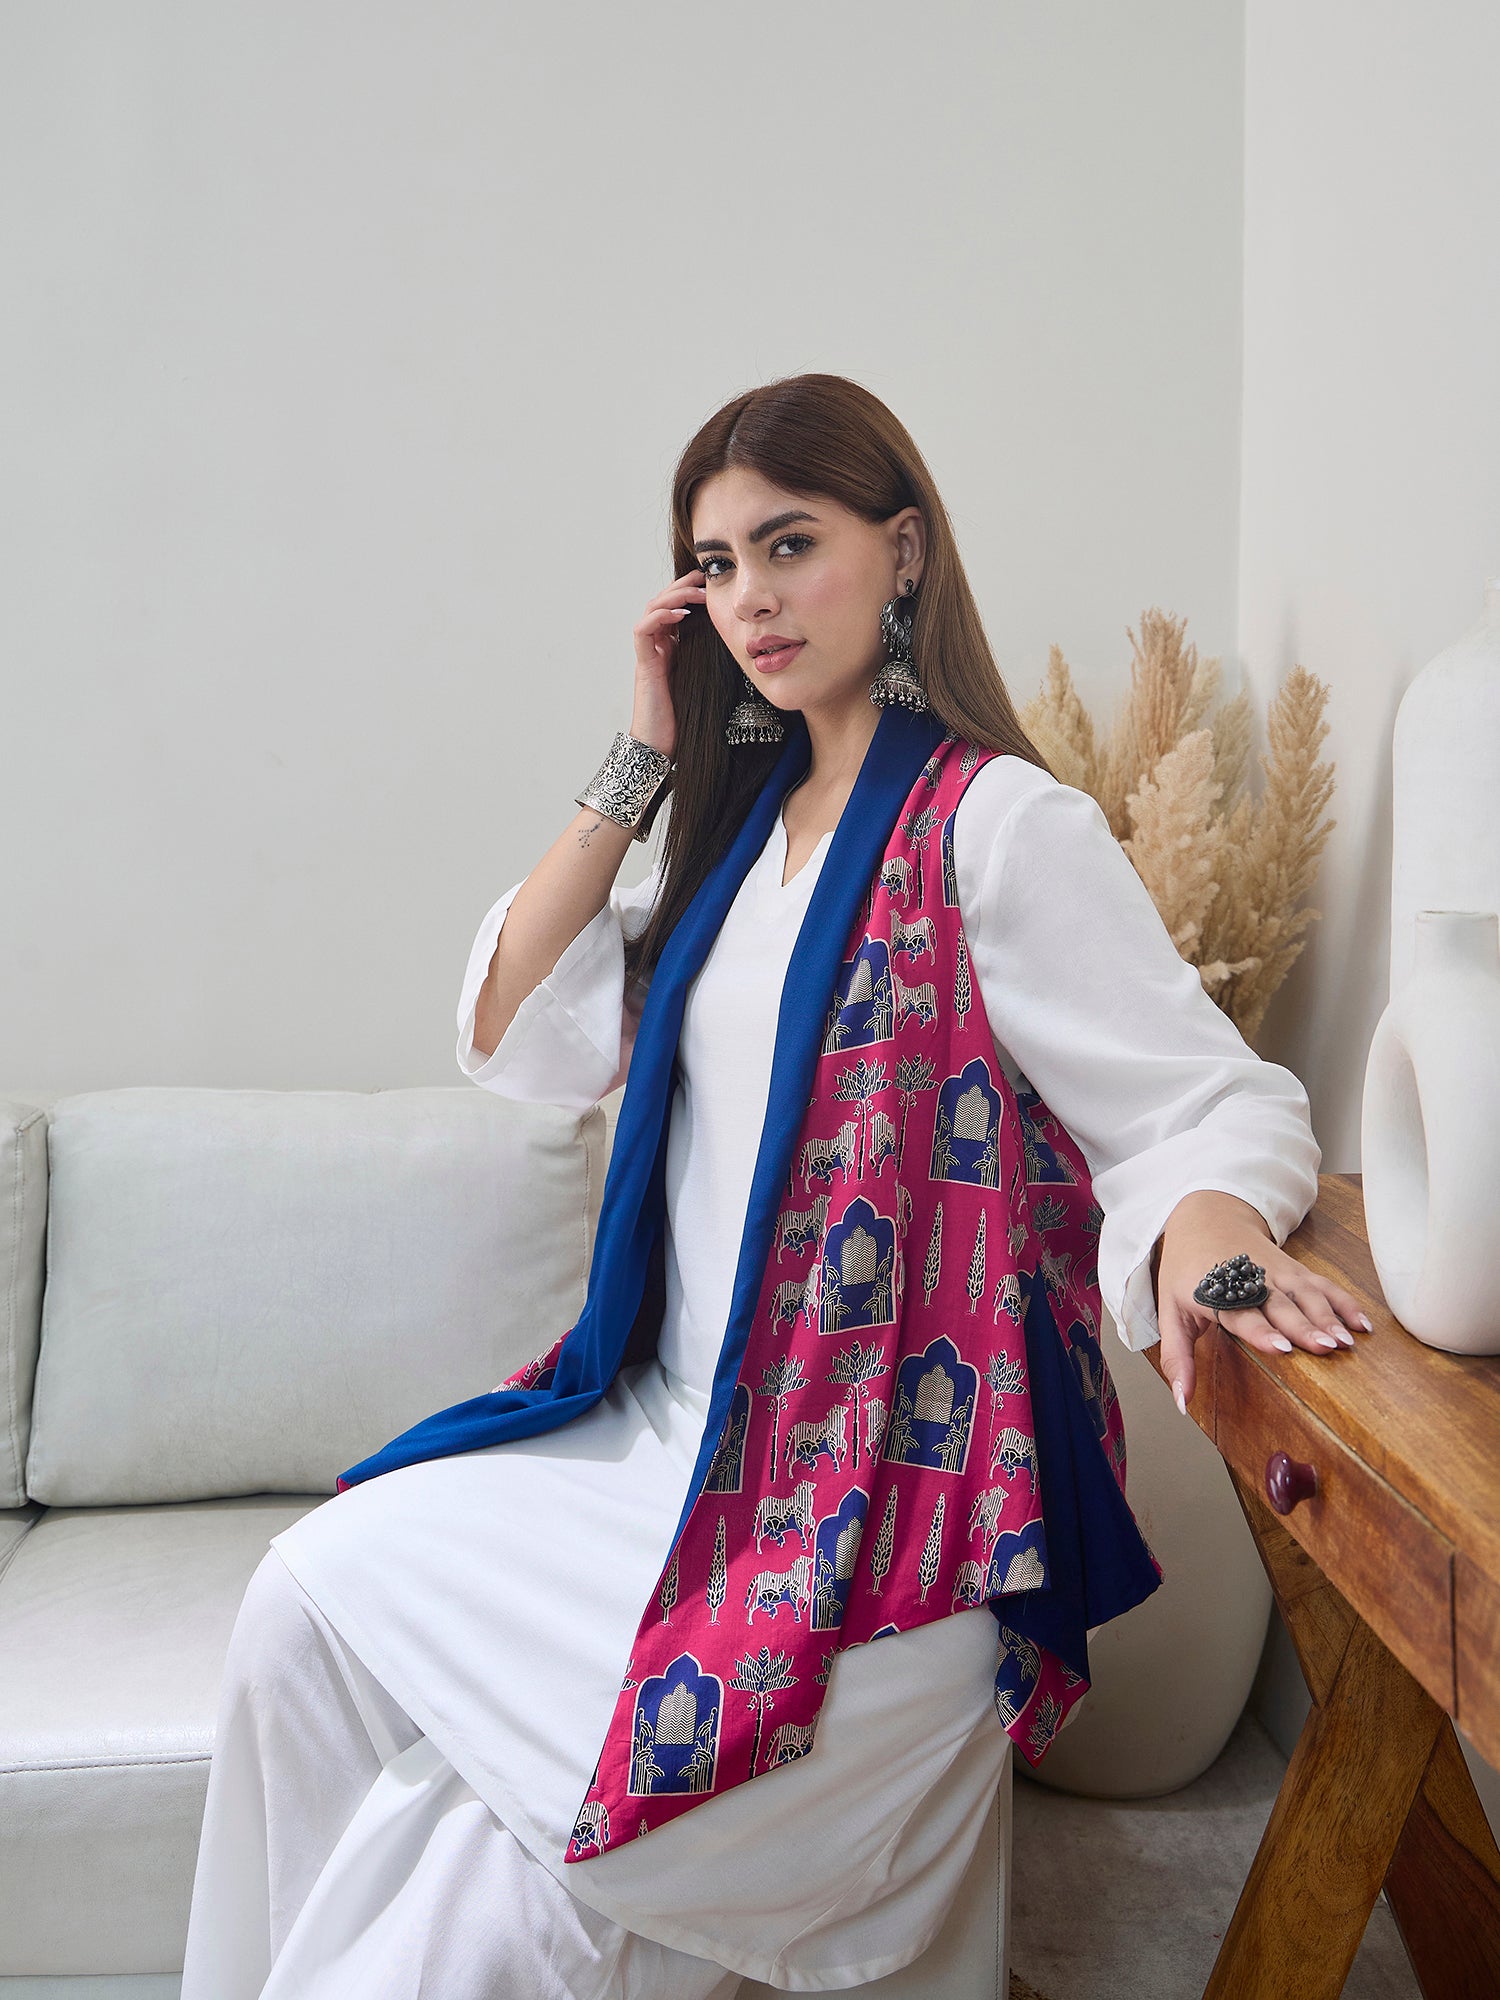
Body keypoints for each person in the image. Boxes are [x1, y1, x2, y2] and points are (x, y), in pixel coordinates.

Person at [180, 372, 1368, 1999]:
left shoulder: (994, 827)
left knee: (495, 1888)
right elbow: (511, 1026)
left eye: (790, 543)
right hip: (664, 1445)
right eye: (716, 562)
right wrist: (643, 754)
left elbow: (1200, 1100)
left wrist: (1209, 1233)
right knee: (302, 1604)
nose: (751, 596)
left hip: (864, 1504)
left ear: (904, 551)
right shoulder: (740, 844)